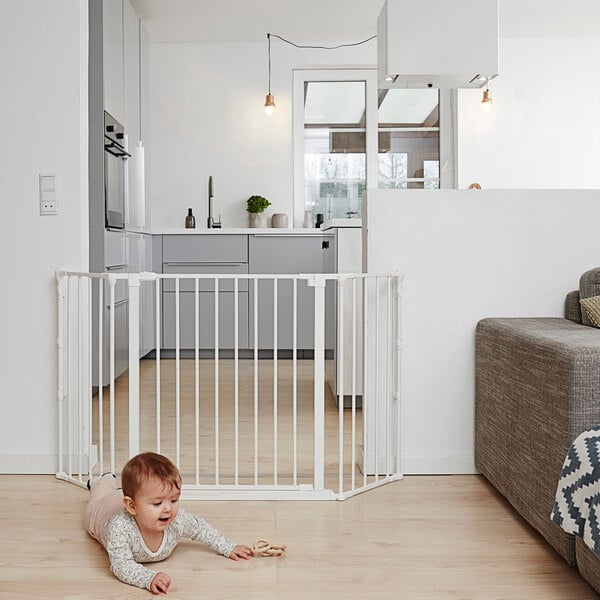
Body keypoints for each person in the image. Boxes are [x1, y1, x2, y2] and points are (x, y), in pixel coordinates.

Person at [84, 452, 253, 595]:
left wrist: (228, 546)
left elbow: (200, 528)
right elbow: (121, 565)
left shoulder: (177, 519)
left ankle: (116, 487)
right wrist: (148, 578)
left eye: (174, 500)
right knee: (101, 494)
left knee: (123, 491)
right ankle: (103, 480)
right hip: (103, 510)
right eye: (157, 504)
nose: (168, 509)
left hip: (130, 499)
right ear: (132, 506)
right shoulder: (119, 528)